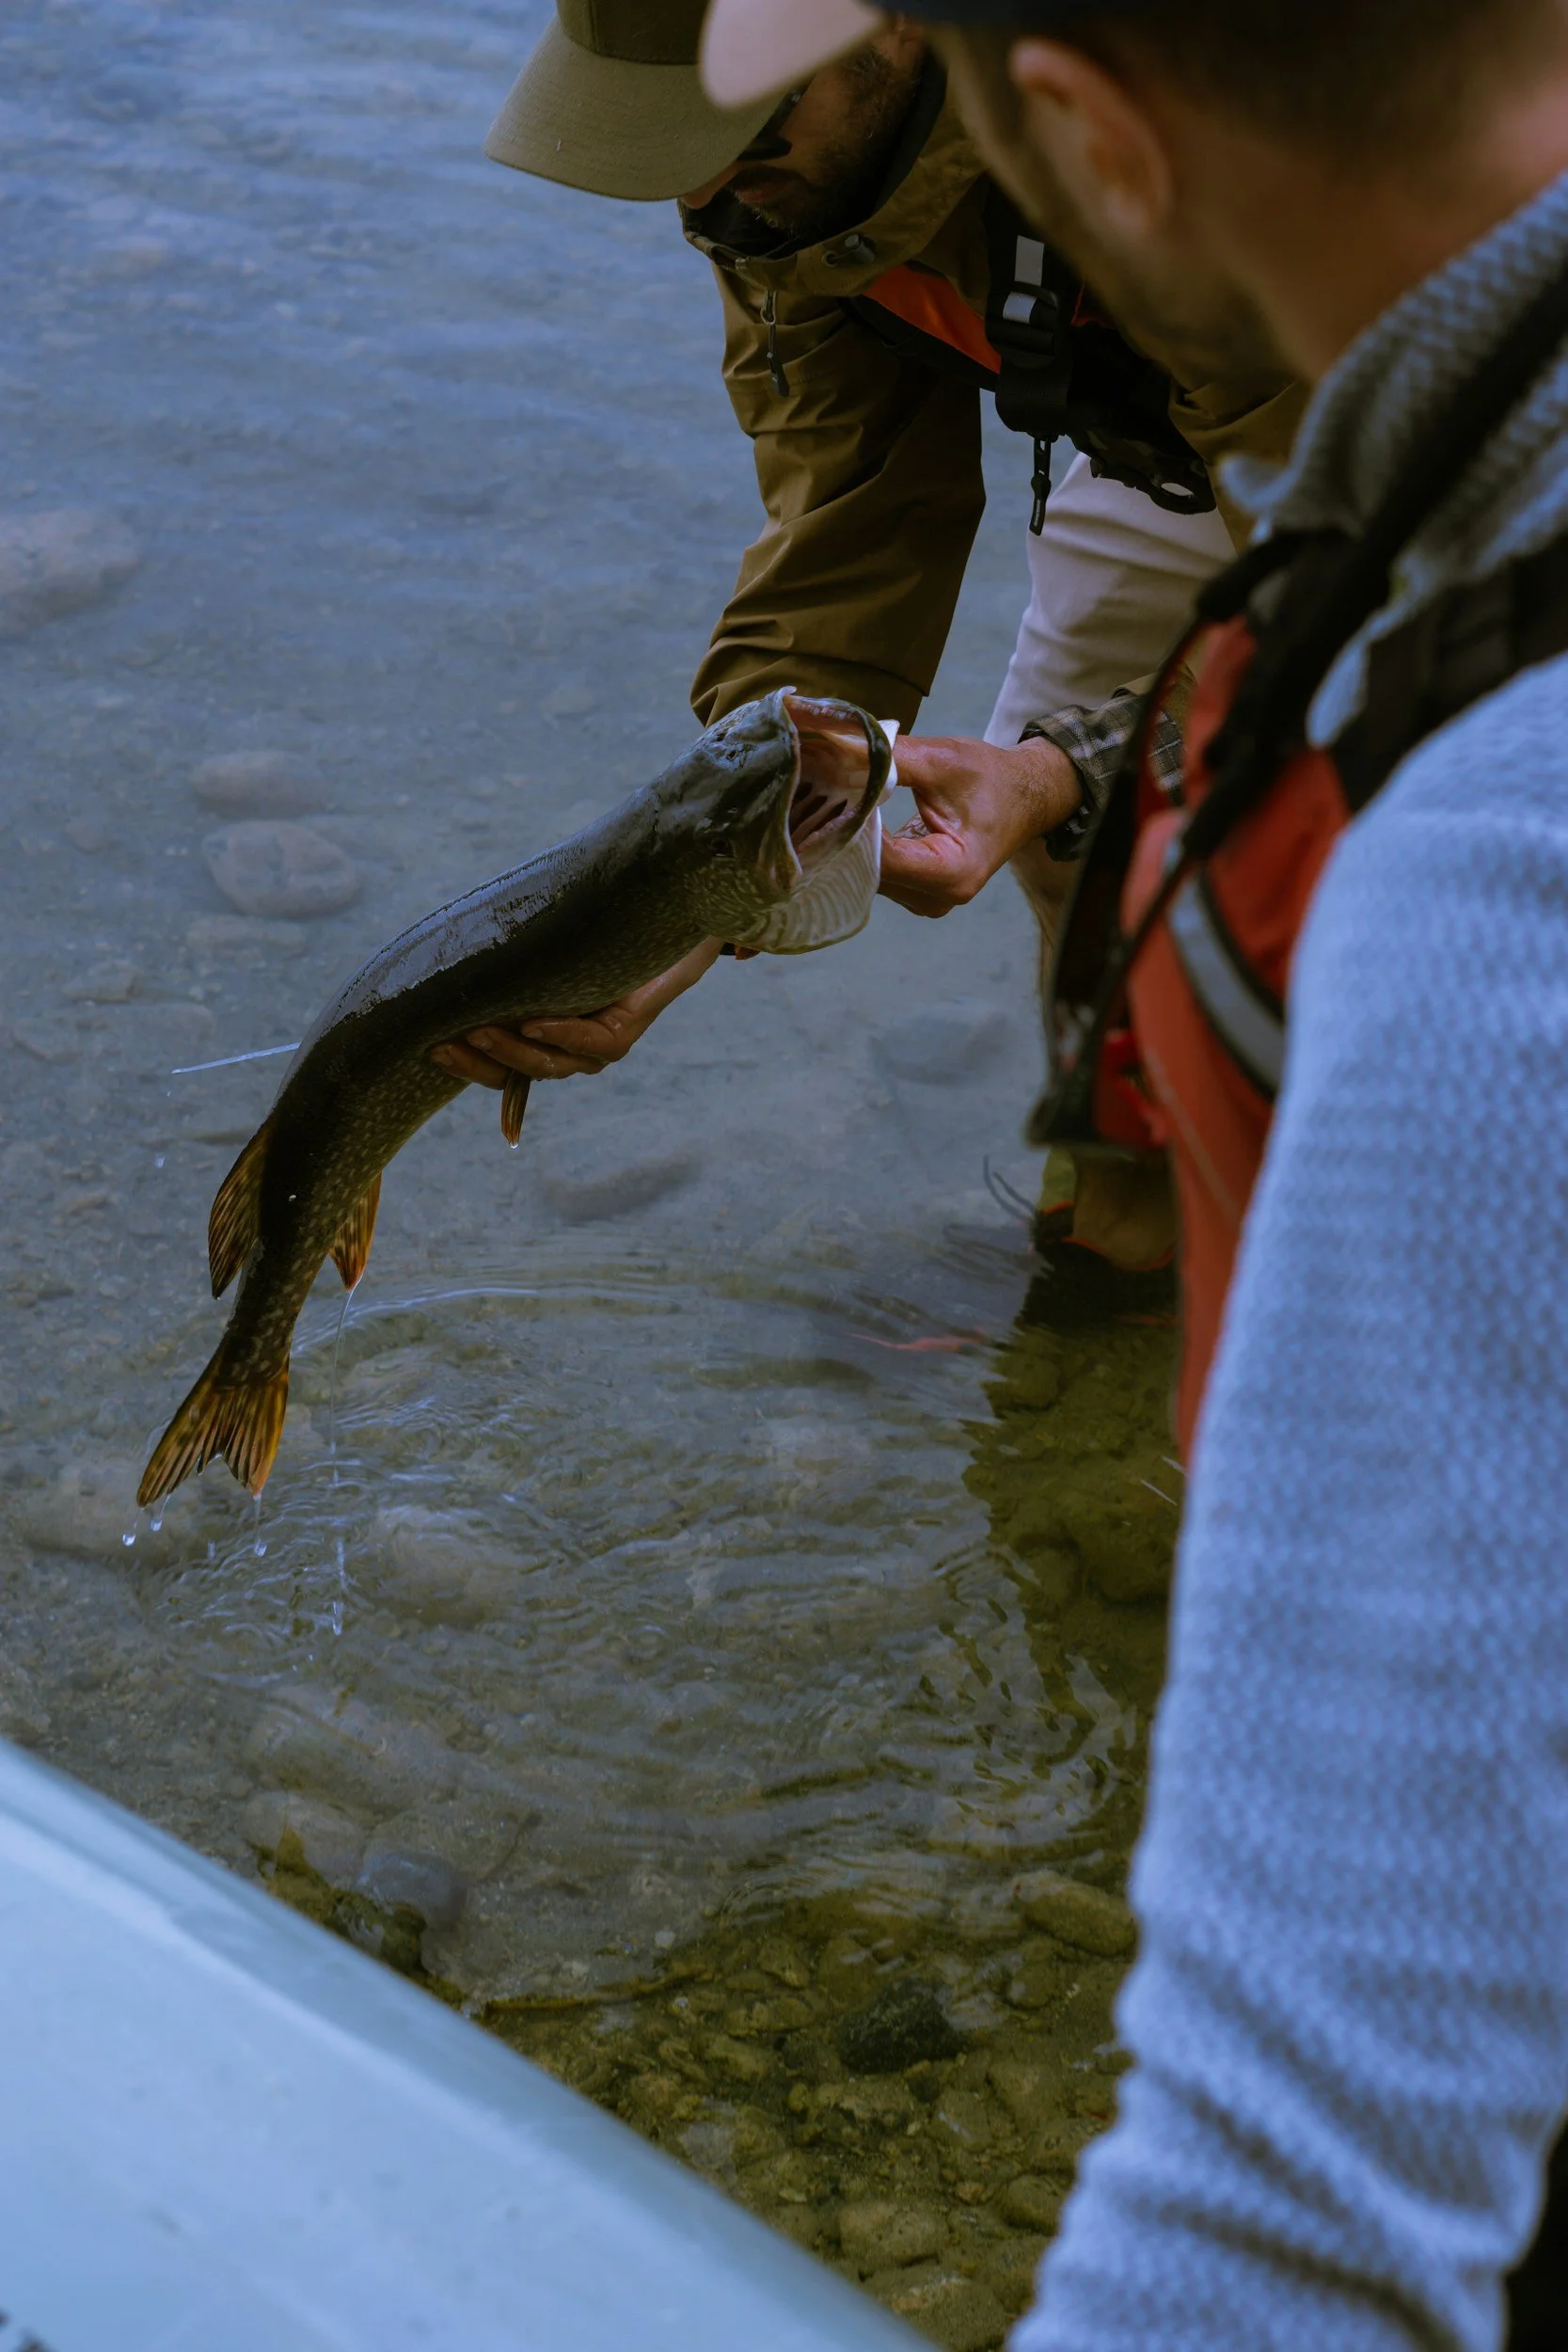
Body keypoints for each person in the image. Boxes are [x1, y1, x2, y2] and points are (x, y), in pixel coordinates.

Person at [699, 0, 1568, 2346]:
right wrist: (1079, 773)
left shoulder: (1490, 888)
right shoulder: (1456, 519)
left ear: (1075, 131)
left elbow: (1293, 2214)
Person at [442, 2, 1300, 1273]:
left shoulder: (1195, 124)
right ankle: (1135, 1262)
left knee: (1316, 833)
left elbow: (1382, 607)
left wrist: (1062, 773)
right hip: (1185, 416)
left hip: (1445, 431)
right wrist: (688, 904)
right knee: (1080, 853)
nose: (704, 185)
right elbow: (846, 536)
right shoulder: (776, 190)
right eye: (668, 139)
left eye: (744, 123)